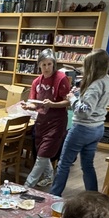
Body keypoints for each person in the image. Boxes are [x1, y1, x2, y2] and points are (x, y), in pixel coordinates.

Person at [50, 49, 109, 196]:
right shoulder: (107, 80)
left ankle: (53, 196)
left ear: (92, 67)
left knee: (63, 164)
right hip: (97, 128)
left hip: (83, 129)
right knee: (87, 165)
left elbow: (84, 111)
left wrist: (72, 98)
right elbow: (94, 102)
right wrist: (79, 94)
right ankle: (93, 196)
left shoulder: (94, 85)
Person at [24, 49, 71, 189]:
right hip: (42, 121)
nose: (46, 68)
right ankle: (49, 176)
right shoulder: (36, 82)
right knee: (42, 152)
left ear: (54, 64)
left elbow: (68, 102)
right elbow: (34, 103)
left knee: (43, 154)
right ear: (39, 65)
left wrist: (53, 104)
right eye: (43, 64)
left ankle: (27, 185)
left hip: (56, 121)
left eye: (49, 64)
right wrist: (28, 106)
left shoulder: (61, 78)